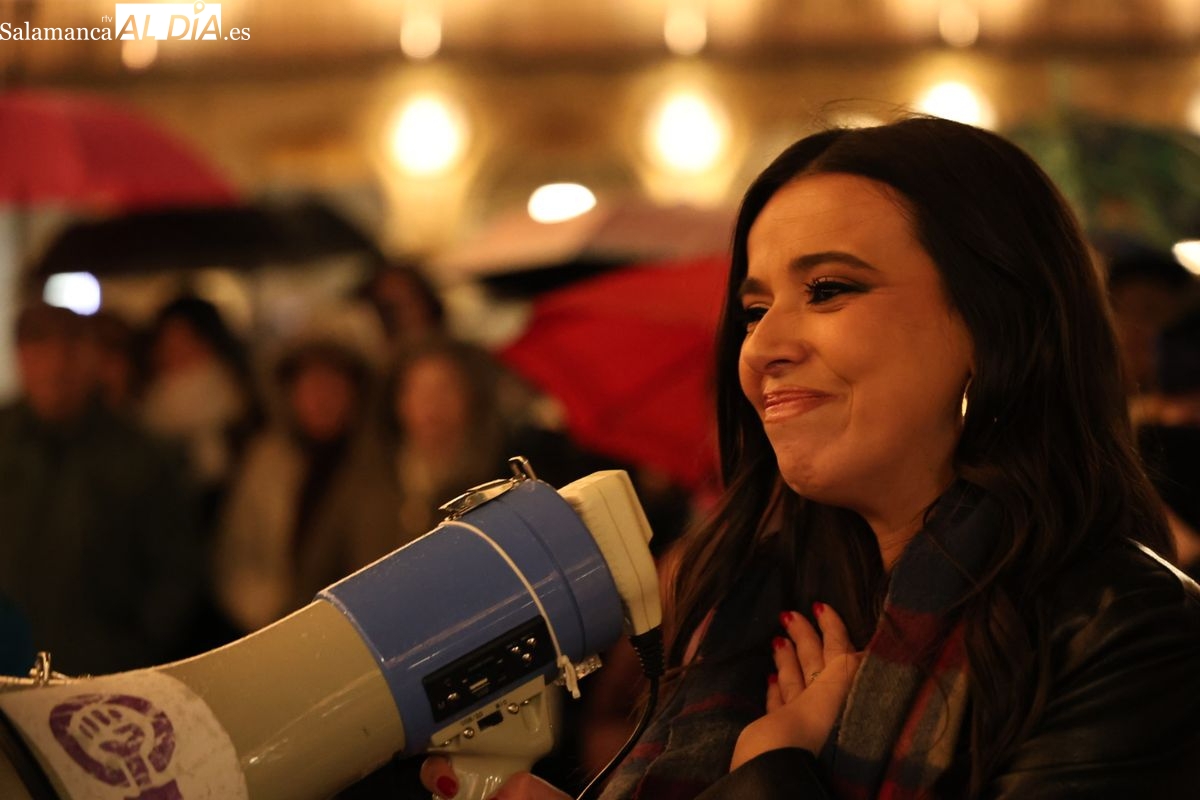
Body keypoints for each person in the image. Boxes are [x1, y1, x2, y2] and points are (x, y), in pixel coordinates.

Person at [421, 117, 1200, 799]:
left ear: (992, 325)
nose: (764, 347)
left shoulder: (1123, 632)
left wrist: (773, 766)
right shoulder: (746, 601)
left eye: (827, 289)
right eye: (755, 309)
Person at [0, 304, 203, 674]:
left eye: (69, 351)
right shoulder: (7, 440)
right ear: (22, 358)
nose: (55, 367)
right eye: (40, 350)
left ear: (92, 357)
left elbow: (176, 570)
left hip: (100, 675)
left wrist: (132, 650)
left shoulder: (139, 454)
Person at [215, 332, 400, 634]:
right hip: (273, 629)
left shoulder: (379, 464)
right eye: (310, 383)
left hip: (361, 632)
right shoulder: (267, 460)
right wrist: (264, 614)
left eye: (335, 383)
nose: (322, 396)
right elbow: (236, 550)